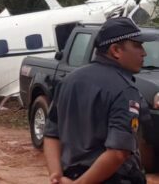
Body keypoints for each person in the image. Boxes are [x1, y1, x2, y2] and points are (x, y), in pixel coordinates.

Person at [44, 18, 158, 184]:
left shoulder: (69, 81)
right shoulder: (124, 90)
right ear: (116, 50)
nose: (143, 53)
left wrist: (56, 175)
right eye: (137, 45)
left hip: (71, 175)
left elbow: (51, 134)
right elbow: (119, 152)